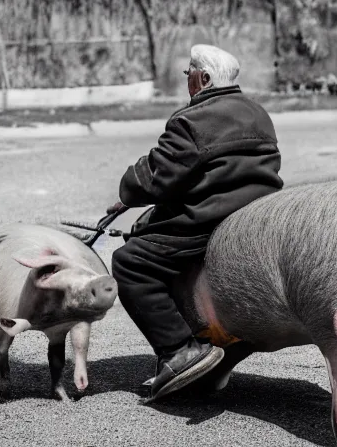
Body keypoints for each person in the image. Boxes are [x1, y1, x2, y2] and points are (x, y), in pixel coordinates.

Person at [109, 44, 284, 401]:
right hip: (257, 213)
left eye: (188, 71)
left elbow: (158, 175)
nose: (185, 78)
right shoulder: (258, 112)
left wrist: (127, 191)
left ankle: (179, 351)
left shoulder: (193, 120)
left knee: (130, 261)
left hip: (209, 218)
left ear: (203, 78)